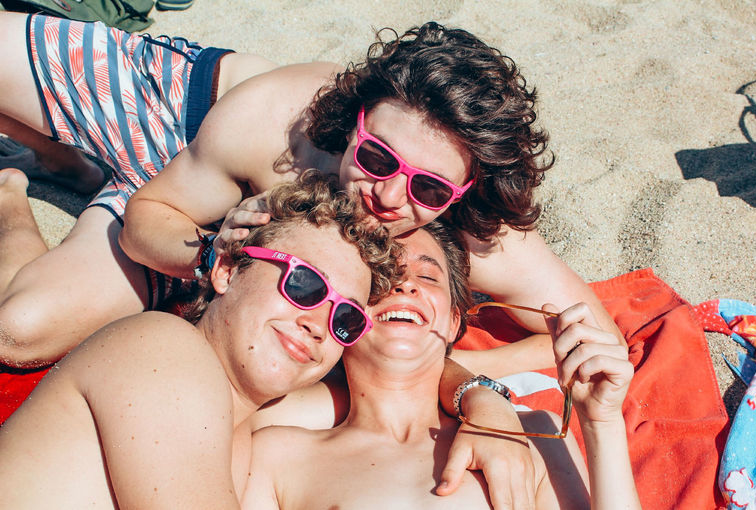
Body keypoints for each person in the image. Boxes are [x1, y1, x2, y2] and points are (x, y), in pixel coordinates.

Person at [0, 12, 620, 369]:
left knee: (19, 331)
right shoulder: (274, 121)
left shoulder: (477, 225)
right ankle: (65, 161)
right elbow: (151, 216)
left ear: (461, 194)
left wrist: (456, 368)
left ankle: (13, 191)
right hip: (180, 107)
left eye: (429, 189)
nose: (389, 196)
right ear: (354, 121)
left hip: (196, 211)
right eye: (376, 157)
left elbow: (596, 335)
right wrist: (210, 251)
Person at [0, 172, 403, 508]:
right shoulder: (165, 350)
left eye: (346, 317)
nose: (319, 324)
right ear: (227, 269)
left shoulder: (243, 436)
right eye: (304, 284)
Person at [240, 222, 641, 510]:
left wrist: (601, 423)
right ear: (343, 313)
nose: (406, 285)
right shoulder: (276, 455)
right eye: (383, 278)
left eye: (429, 277)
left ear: (453, 322)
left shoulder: (537, 435)